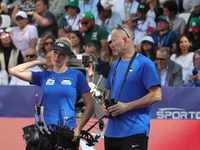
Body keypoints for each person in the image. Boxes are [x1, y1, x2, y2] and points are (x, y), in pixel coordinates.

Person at [10, 37, 94, 150]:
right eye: (55, 52)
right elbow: (14, 71)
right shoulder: (44, 75)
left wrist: (78, 128)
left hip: (67, 132)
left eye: (62, 54)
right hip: (44, 132)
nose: (57, 57)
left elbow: (90, 105)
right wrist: (39, 61)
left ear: (68, 57)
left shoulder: (76, 75)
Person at [102, 24, 162, 150]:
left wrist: (127, 106)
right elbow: (109, 92)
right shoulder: (114, 65)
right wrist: (105, 106)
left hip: (134, 131)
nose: (111, 45)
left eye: (113, 41)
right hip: (111, 132)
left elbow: (157, 95)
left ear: (125, 40)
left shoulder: (144, 63)